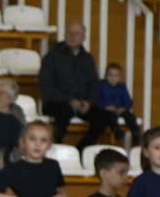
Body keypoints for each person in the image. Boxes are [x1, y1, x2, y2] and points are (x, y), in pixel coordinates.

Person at [38, 21, 110, 150]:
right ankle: (54, 150)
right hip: (56, 102)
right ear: (65, 35)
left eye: (77, 33)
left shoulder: (88, 59)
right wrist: (69, 101)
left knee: (104, 117)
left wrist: (88, 102)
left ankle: (81, 150)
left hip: (81, 104)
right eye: (70, 33)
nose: (72, 36)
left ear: (83, 37)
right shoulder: (52, 56)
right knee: (63, 113)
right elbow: (45, 85)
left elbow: (94, 85)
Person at [97, 63, 141, 145]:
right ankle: (116, 130)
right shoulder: (101, 86)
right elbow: (96, 100)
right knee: (110, 117)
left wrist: (124, 108)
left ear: (120, 77)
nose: (113, 78)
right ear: (105, 75)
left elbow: (129, 101)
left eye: (116, 75)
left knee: (130, 116)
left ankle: (136, 133)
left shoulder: (122, 87)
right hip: (107, 110)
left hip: (120, 110)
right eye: (110, 75)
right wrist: (105, 107)